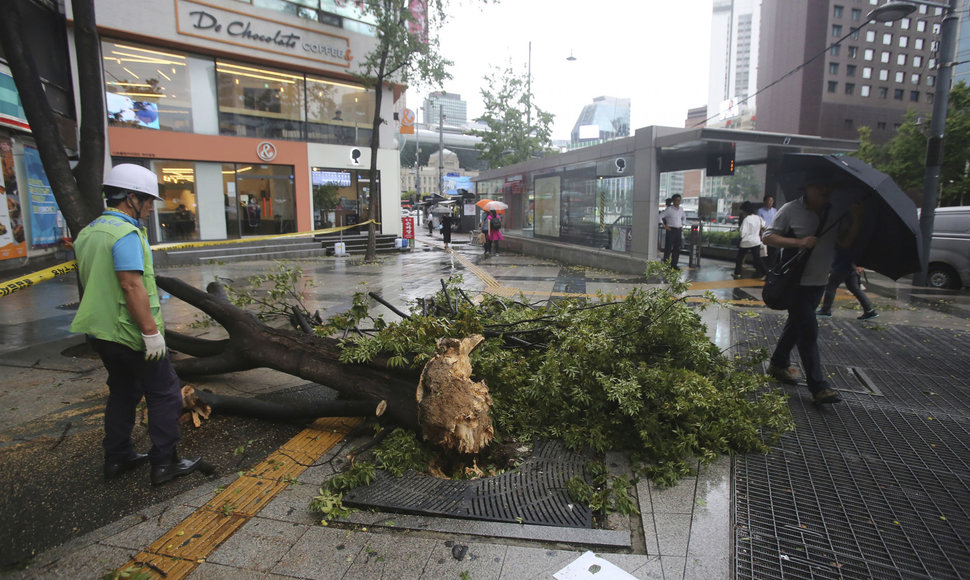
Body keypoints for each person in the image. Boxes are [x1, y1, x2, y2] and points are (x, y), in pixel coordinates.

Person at [70, 164, 202, 485]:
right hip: (132, 334)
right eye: (148, 202)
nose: (149, 209)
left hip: (101, 333)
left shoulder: (89, 233)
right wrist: (151, 334)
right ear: (131, 198)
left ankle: (117, 457)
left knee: (122, 393)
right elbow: (130, 286)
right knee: (166, 393)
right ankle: (164, 463)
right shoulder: (126, 234)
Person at [762, 183, 862, 405]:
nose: (825, 192)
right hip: (795, 282)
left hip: (818, 282)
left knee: (797, 324)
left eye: (828, 189)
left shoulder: (835, 211)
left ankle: (778, 363)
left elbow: (844, 243)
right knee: (808, 331)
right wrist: (799, 242)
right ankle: (818, 386)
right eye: (820, 188)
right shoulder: (790, 209)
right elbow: (768, 237)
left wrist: (855, 219)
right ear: (808, 188)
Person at [816, 256, 879, 320]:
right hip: (851, 265)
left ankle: (825, 310)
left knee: (831, 286)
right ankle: (869, 310)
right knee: (854, 288)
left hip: (843, 265)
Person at [733, 201, 767, 279]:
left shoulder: (746, 219)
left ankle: (737, 273)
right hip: (756, 241)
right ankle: (765, 273)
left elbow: (742, 233)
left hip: (746, 242)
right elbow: (764, 227)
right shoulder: (758, 218)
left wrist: (740, 230)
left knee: (740, 258)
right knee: (758, 258)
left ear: (745, 210)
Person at [660, 194, 686, 269]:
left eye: (679, 200)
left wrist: (682, 224)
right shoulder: (669, 209)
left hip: (678, 230)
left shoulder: (681, 209)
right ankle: (666, 264)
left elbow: (684, 217)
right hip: (671, 230)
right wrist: (665, 226)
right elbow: (660, 216)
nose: (678, 202)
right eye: (676, 200)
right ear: (673, 201)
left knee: (677, 249)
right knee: (668, 248)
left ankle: (674, 264)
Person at [758, 194, 779, 265]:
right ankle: (765, 267)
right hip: (764, 233)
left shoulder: (775, 211)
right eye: (768, 201)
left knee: (774, 251)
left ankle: (771, 266)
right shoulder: (760, 211)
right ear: (765, 201)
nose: (770, 202)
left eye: (772, 201)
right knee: (765, 251)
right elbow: (759, 223)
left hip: (773, 233)